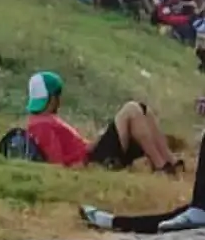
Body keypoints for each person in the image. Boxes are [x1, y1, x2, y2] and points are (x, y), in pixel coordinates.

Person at [19, 71, 181, 172]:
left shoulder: (46, 120)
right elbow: (59, 164)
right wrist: (92, 148)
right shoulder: (40, 125)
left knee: (142, 109)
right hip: (92, 162)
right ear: (52, 97)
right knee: (131, 109)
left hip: (91, 154)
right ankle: (160, 165)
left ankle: (168, 160)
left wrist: (93, 142)